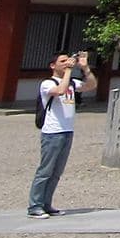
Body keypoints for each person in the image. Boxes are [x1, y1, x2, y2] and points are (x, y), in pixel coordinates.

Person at [27, 50, 90, 218]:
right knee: (45, 171)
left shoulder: (72, 83)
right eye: (62, 61)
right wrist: (69, 70)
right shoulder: (47, 83)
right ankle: (35, 206)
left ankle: (46, 204)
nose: (66, 63)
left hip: (67, 131)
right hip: (52, 133)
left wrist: (85, 68)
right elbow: (60, 91)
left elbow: (91, 85)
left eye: (67, 60)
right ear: (53, 65)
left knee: (56, 172)